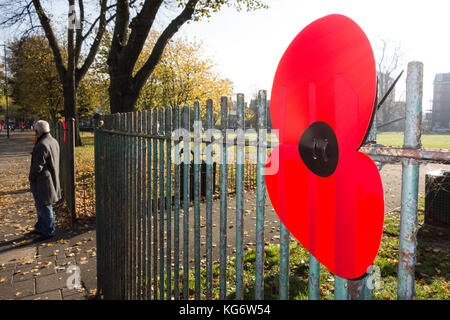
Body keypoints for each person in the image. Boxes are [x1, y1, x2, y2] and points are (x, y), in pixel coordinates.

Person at [29, 120, 61, 241]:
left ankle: (48, 231)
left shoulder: (42, 144)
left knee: (44, 206)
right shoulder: (53, 141)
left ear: (37, 131)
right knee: (42, 205)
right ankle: (41, 227)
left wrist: (31, 178)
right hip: (50, 177)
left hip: (43, 181)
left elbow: (37, 167)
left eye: (34, 131)